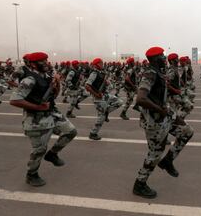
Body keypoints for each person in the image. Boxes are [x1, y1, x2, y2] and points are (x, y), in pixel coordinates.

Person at [133, 47, 194, 199]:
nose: (164, 57)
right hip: (154, 120)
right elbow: (140, 98)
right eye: (161, 55)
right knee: (154, 154)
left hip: (166, 115)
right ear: (155, 59)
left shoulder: (159, 72)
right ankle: (139, 184)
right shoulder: (150, 73)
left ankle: (167, 161)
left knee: (187, 131)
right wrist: (159, 110)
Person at [9, 52, 77, 187]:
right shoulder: (29, 79)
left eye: (46, 60)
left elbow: (54, 95)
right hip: (35, 118)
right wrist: (37, 107)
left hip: (52, 112)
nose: (47, 63)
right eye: (43, 61)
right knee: (39, 149)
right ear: (34, 64)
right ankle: (31, 174)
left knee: (71, 132)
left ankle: (52, 154)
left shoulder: (46, 76)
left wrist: (56, 84)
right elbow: (14, 100)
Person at [86, 58, 123, 140]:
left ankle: (106, 112)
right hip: (98, 98)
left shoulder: (101, 73)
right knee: (101, 117)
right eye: (101, 63)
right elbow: (87, 86)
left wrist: (106, 83)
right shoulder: (94, 73)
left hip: (104, 95)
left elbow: (102, 82)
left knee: (119, 102)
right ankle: (93, 133)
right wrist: (96, 94)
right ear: (97, 64)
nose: (102, 64)